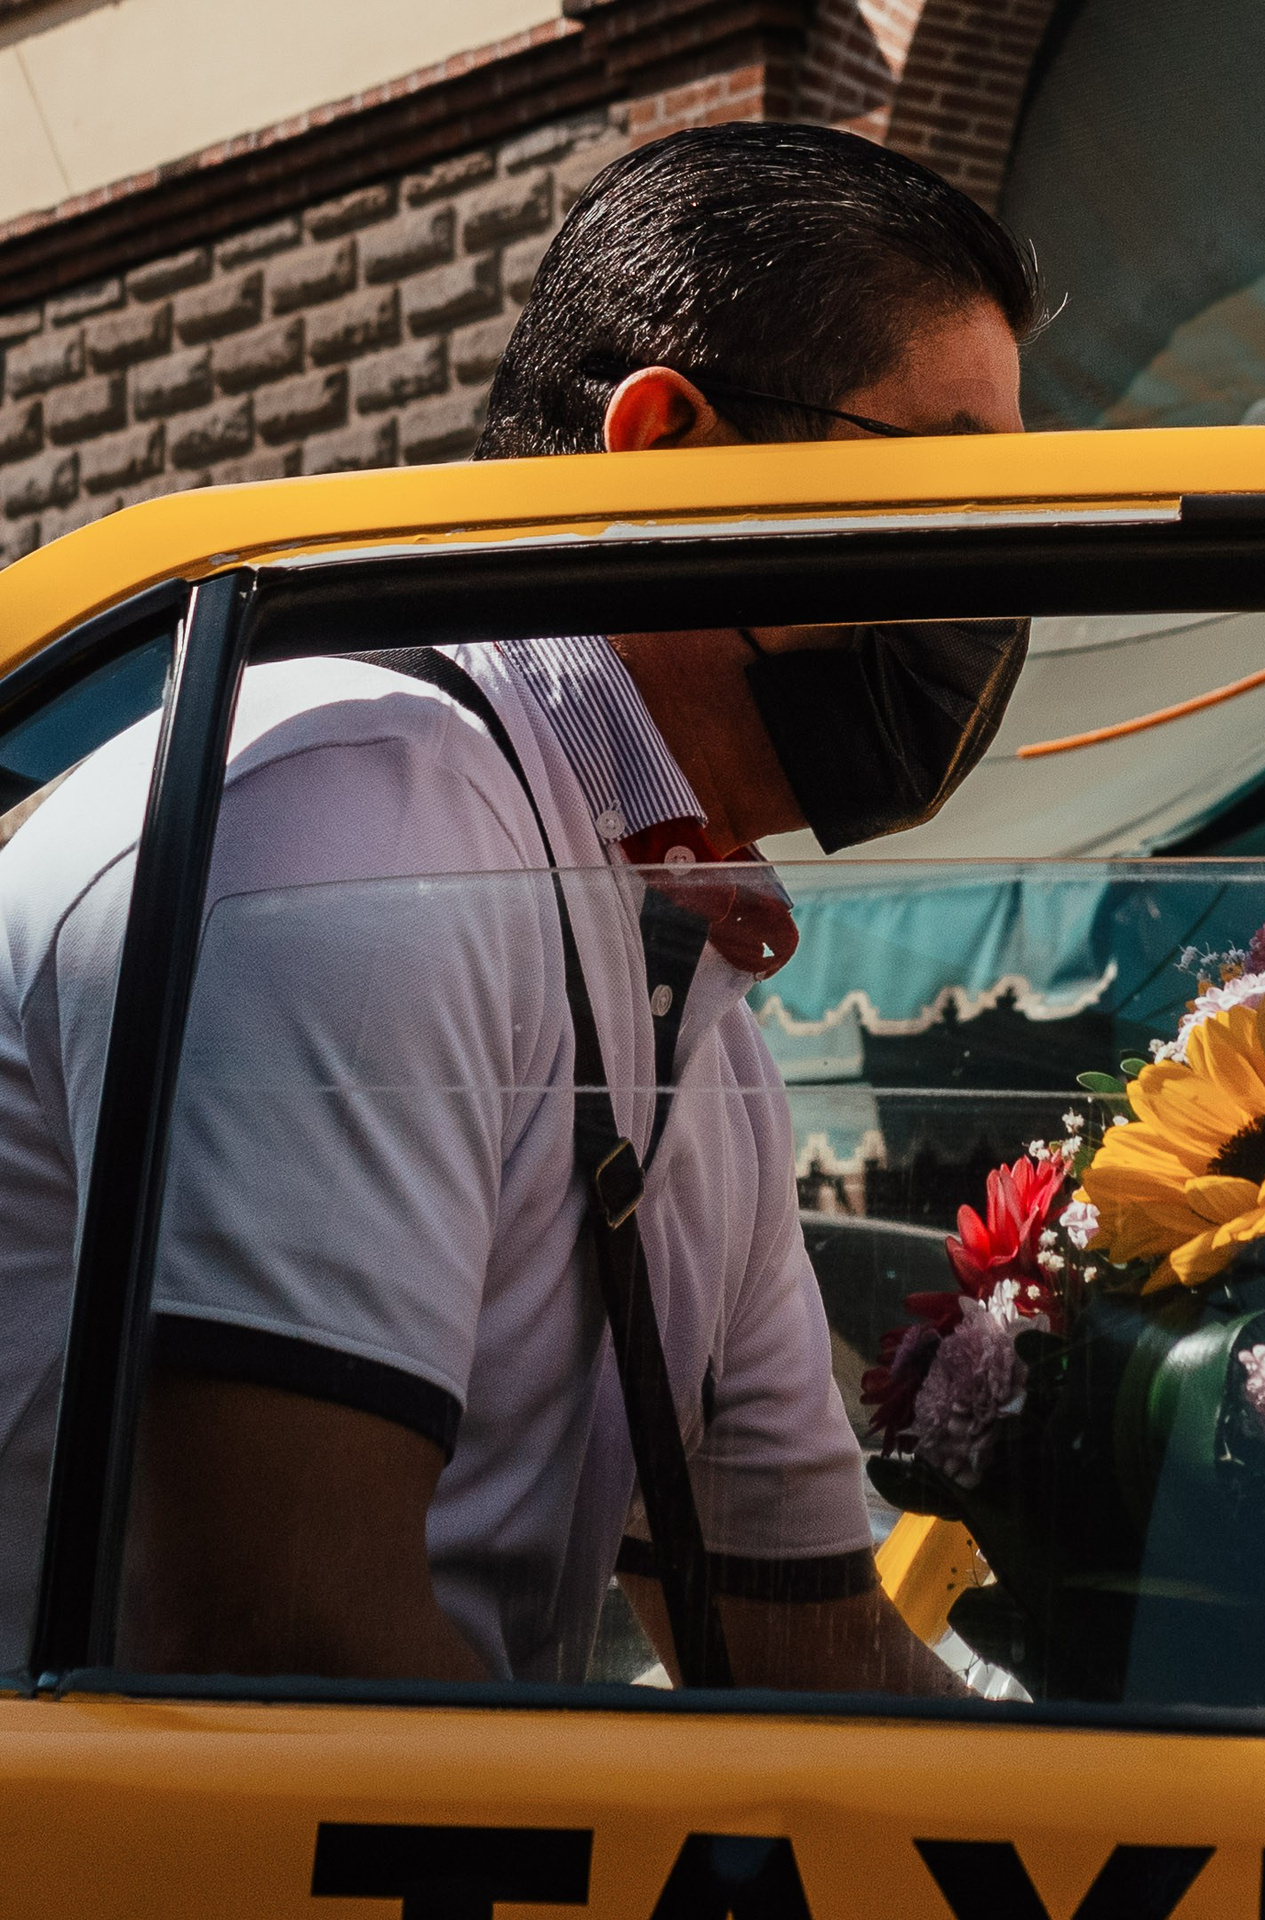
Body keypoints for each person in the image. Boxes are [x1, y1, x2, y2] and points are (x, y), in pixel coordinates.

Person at [0, 123, 1040, 1691]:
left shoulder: (676, 970)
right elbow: (277, 1652)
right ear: (667, 446)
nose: (988, 589)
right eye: (946, 496)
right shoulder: (355, 829)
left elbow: (801, 1646)